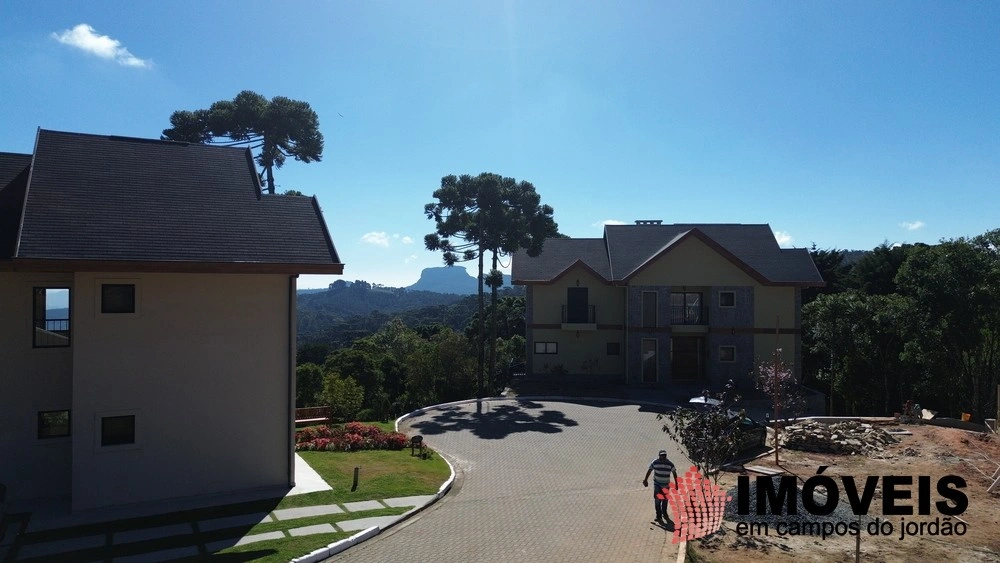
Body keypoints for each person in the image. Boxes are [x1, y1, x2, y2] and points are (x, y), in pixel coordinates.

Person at [643, 449, 679, 524]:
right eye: (662, 455)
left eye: (665, 455)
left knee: (665, 500)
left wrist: (676, 484)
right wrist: (645, 480)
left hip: (666, 485)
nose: (663, 457)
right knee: (657, 500)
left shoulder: (670, 464)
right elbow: (649, 470)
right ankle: (658, 516)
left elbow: (674, 473)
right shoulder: (655, 462)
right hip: (657, 484)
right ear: (659, 456)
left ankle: (664, 513)